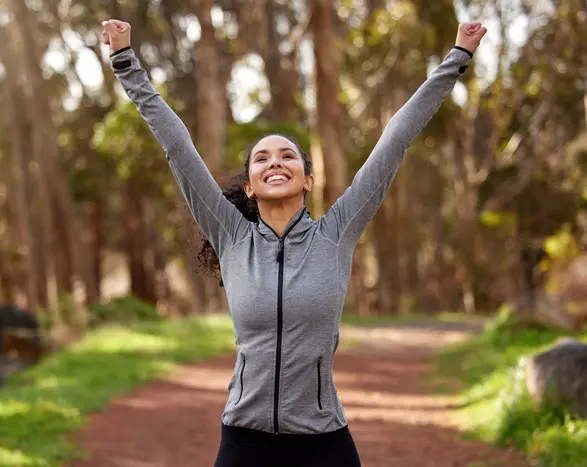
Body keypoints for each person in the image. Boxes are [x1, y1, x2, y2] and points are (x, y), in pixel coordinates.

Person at [101, 18, 487, 467]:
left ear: (307, 180)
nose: (275, 162)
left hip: (322, 441)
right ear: (249, 185)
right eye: (261, 158)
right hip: (245, 441)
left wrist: (457, 57)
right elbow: (177, 146)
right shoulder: (230, 235)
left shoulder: (336, 233)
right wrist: (125, 63)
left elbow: (394, 140)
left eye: (288, 156)